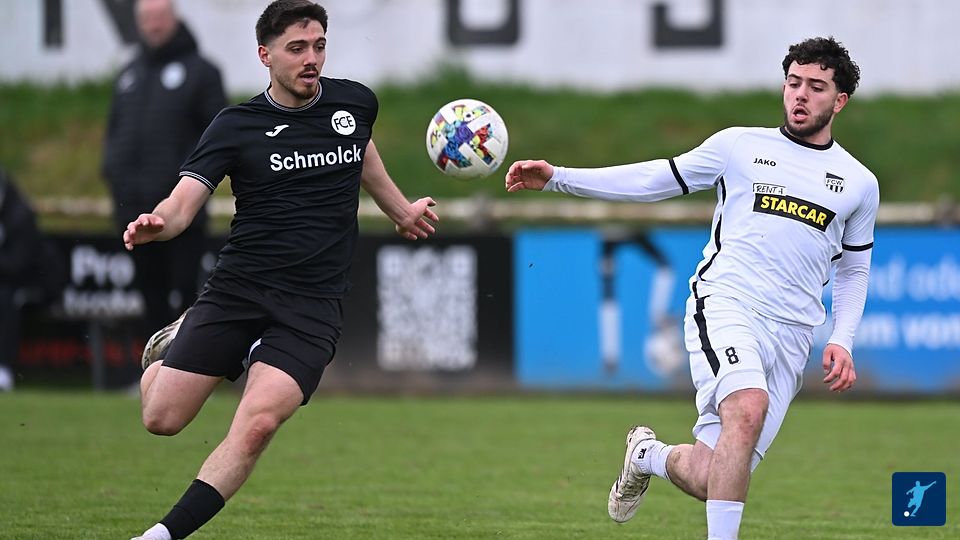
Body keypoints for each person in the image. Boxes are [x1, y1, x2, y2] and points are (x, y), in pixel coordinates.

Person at [504, 36, 877, 540]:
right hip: (727, 304)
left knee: (710, 474)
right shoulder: (740, 146)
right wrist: (559, 178)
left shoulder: (858, 182)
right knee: (748, 405)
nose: (800, 95)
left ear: (840, 100)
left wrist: (842, 338)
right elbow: (654, 179)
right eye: (793, 83)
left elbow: (854, 270)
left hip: (793, 333)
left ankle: (646, 456)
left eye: (816, 86)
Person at [124, 2, 439, 539]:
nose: (311, 58)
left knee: (258, 424)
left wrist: (400, 210)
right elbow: (182, 203)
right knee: (162, 419)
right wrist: (159, 223)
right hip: (238, 290)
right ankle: (178, 340)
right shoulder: (235, 125)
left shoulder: (354, 103)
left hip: (312, 307)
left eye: (319, 45)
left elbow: (360, 152)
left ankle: (161, 536)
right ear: (265, 55)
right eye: (296, 48)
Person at [102, 0, 227, 354]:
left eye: (159, 16)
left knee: (187, 296)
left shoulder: (202, 72)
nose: (153, 24)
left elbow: (217, 139)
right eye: (146, 18)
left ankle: (191, 366)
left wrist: (189, 186)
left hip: (182, 211)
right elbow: (114, 133)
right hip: (133, 210)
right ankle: (152, 369)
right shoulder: (129, 74)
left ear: (174, 18)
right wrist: (113, 173)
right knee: (149, 296)